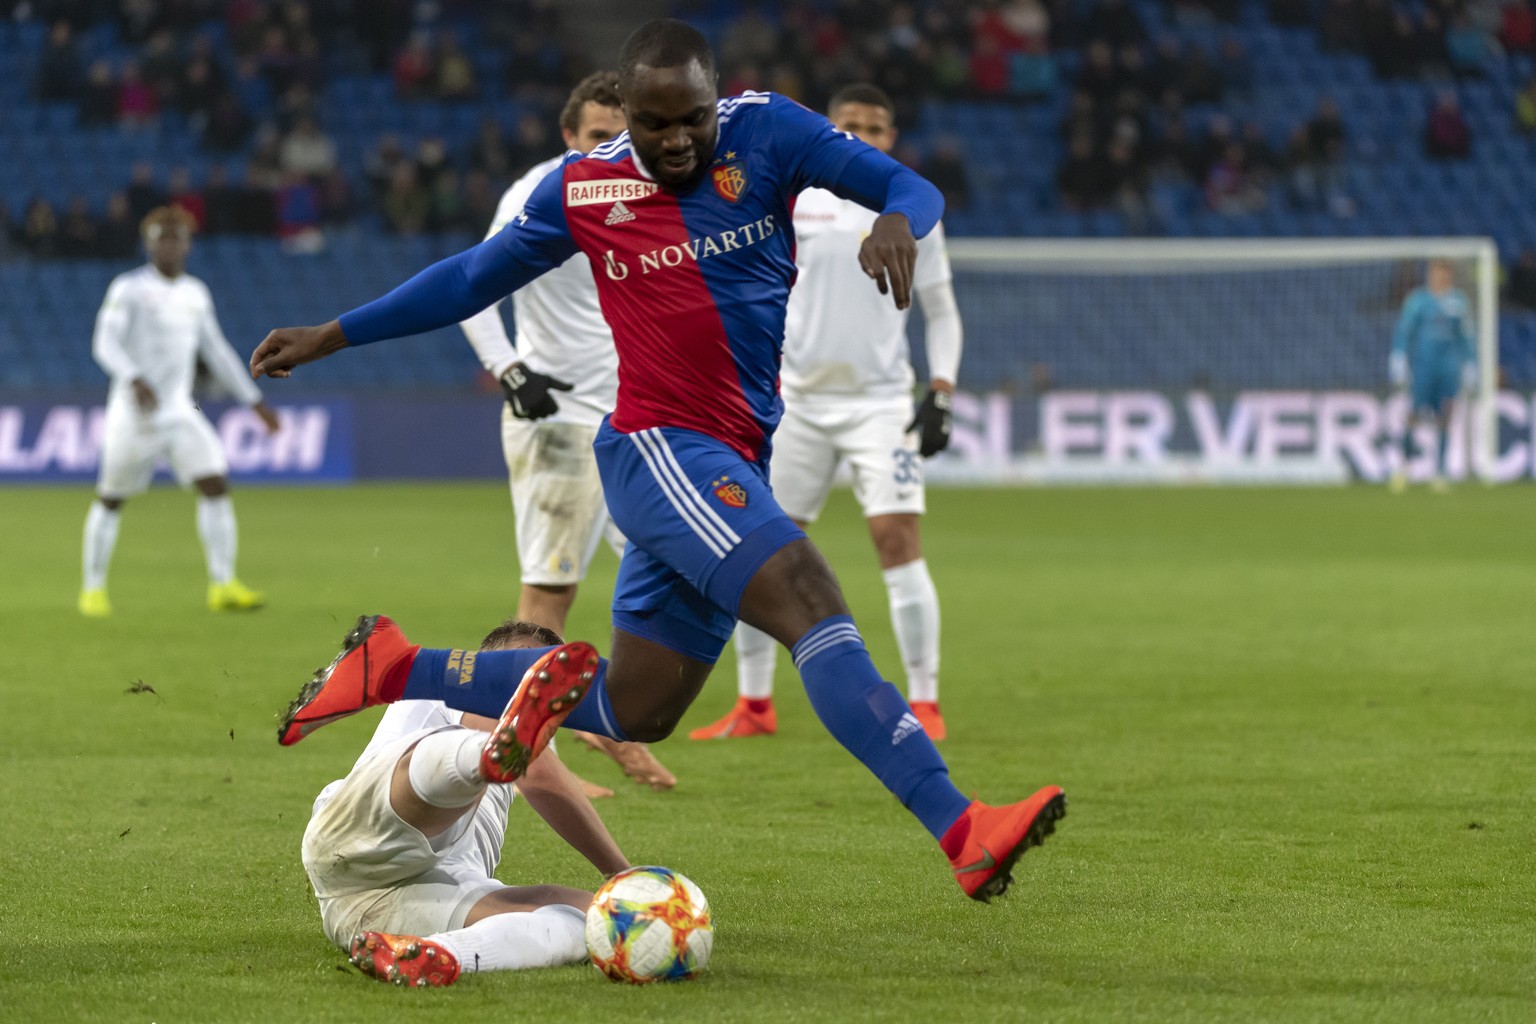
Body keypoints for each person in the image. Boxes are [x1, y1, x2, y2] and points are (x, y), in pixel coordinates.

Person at [253, 19, 1065, 903]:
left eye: (693, 120)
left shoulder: (771, 133)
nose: (676, 140)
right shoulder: (586, 188)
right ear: (625, 113)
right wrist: (332, 335)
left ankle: (394, 666)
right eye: (652, 123)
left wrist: (898, 222)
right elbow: (468, 278)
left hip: (731, 455)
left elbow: (907, 183)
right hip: (660, 448)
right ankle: (963, 830)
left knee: (639, 708)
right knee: (810, 601)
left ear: (719, 100)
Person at [688, 84, 963, 743]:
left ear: (891, 138)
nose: (864, 136)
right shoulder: (794, 199)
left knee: (897, 543)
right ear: (828, 129)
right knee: (759, 552)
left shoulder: (911, 212)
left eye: (876, 127)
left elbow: (943, 311)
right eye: (851, 125)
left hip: (878, 403)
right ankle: (754, 705)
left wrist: (942, 392)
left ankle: (925, 703)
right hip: (796, 406)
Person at [459, 70, 676, 793]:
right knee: (548, 595)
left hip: (636, 418)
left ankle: (594, 718)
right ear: (567, 137)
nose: (609, 148)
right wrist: (510, 368)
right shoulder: (536, 195)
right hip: (558, 419)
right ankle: (529, 759)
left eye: (621, 135)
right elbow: (470, 287)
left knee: (664, 568)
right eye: (595, 136)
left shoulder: (651, 189)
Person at [304, 618, 628, 987]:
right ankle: (482, 754)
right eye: (520, 662)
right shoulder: (445, 688)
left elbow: (540, 771)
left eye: (540, 669)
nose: (525, 675)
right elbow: (538, 776)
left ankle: (445, 955)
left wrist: (628, 902)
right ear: (479, 662)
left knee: (596, 918)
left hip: (392, 906)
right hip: (358, 846)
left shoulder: (528, 749)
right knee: (449, 755)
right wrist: (621, 873)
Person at [80, 205, 279, 617]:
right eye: (160, 238)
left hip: (179, 409)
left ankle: (222, 584)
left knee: (215, 483)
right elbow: (104, 342)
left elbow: (217, 351)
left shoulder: (195, 293)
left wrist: (254, 400)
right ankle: (92, 589)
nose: (168, 245)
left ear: (187, 244)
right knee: (111, 498)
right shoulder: (128, 288)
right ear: (148, 243)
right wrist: (133, 376)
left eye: (176, 238)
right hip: (134, 413)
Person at [1388, 259, 1477, 493]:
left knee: (1445, 418)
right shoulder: (1418, 301)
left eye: (1443, 275)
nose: (1439, 279)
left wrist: (1470, 364)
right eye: (1436, 274)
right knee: (1413, 415)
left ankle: (1440, 472)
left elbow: (1466, 336)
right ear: (1430, 275)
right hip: (1423, 367)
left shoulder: (1458, 302)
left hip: (1448, 369)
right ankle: (1404, 467)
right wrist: (1398, 356)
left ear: (1449, 277)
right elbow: (1404, 331)